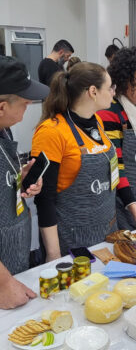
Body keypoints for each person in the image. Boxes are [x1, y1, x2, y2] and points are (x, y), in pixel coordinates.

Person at [31, 62, 118, 261]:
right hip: (73, 239)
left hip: (107, 230)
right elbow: (45, 198)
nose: (114, 92)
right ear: (93, 91)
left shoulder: (97, 122)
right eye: (110, 87)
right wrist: (53, 254)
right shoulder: (51, 132)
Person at [0, 55, 48, 309]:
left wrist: (20, 179)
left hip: (14, 261)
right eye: (25, 104)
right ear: (1, 107)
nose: (27, 111)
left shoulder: (4, 129)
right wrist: (3, 283)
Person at [98, 47, 136, 230]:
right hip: (126, 196)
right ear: (122, 81)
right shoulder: (110, 111)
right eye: (135, 84)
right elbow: (116, 166)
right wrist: (133, 208)